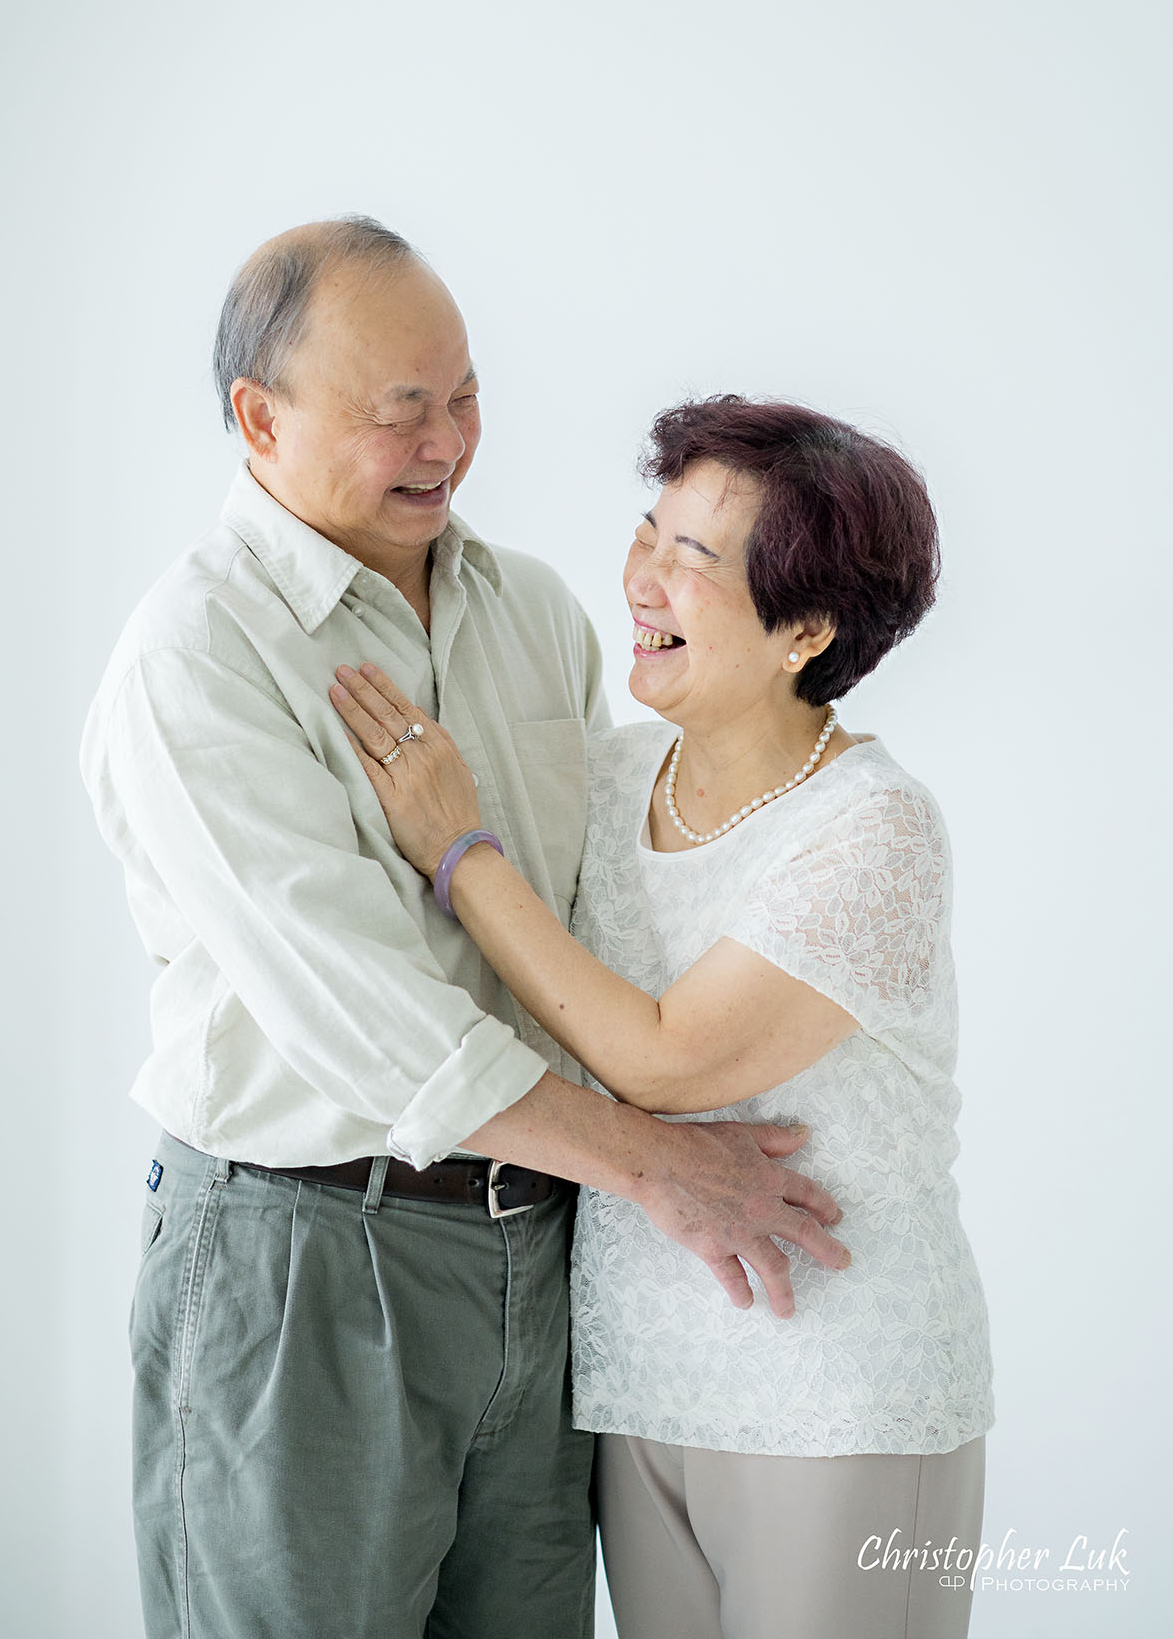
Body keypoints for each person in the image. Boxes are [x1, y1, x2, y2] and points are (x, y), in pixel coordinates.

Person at [79, 224, 850, 1639]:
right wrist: (659, 1169)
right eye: (400, 411)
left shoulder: (536, 617)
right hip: (307, 1263)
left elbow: (585, 931)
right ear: (259, 418)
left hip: (538, 1257)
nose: (449, 442)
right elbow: (368, 1023)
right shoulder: (198, 654)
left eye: (466, 396)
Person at [331, 395, 995, 1639]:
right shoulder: (612, 772)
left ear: (805, 629)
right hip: (635, 1387)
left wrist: (461, 848)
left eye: (694, 557)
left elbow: (664, 1059)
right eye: (650, 531)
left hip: (842, 1392)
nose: (643, 576)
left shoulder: (875, 829)